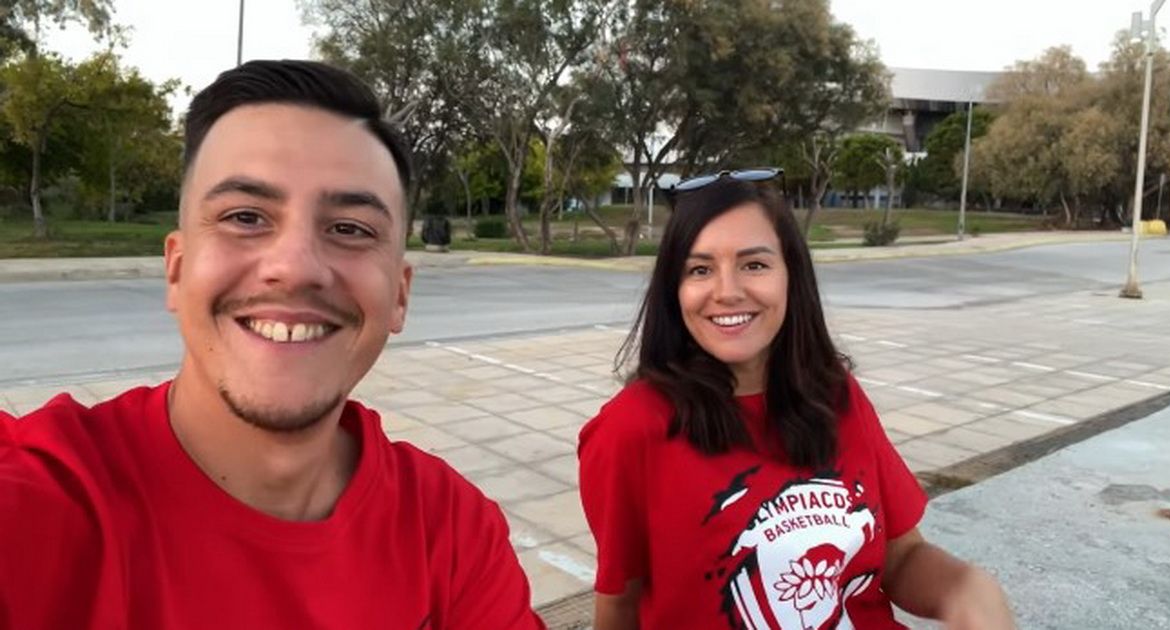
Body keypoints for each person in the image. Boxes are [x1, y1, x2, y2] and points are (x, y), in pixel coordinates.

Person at [0, 60, 544, 630]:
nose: (295, 266)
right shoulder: (43, 504)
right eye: (245, 217)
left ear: (400, 296)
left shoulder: (451, 531)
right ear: (176, 270)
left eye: (350, 228)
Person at [578, 171, 1014, 629]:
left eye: (754, 265)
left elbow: (902, 556)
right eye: (700, 269)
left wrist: (966, 589)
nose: (727, 292)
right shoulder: (630, 429)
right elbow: (619, 606)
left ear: (791, 275)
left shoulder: (835, 394)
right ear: (674, 290)